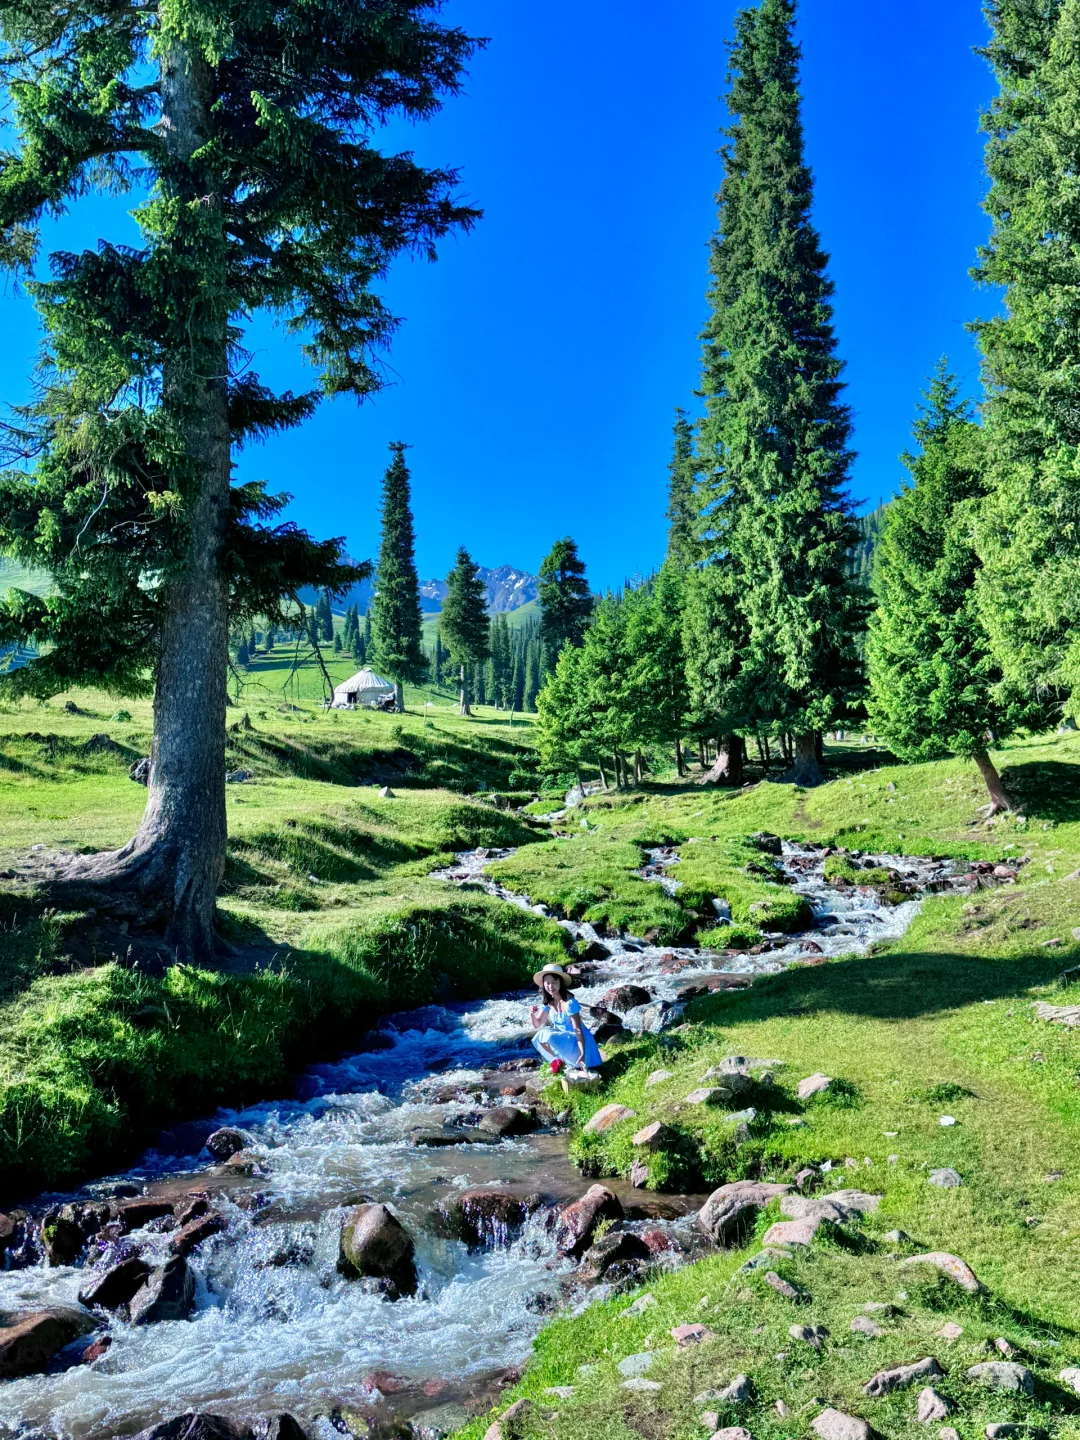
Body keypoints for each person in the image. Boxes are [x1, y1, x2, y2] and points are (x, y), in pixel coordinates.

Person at [529, 964, 603, 1077]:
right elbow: (537, 1024)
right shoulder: (549, 1001)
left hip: (578, 1041)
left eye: (554, 982)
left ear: (561, 982)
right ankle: (560, 1062)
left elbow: (578, 1030)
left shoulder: (570, 1003)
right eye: (547, 983)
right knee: (539, 1037)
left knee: (547, 1034)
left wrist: (582, 1053)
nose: (550, 986)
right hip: (566, 1040)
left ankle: (574, 1061)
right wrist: (532, 1014)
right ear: (543, 984)